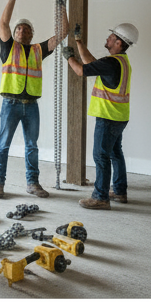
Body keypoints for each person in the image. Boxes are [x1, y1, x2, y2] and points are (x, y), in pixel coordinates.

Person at [0, 0, 67, 199]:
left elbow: (62, 33)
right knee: (3, 145)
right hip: (11, 104)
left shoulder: (38, 50)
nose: (21, 32)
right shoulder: (8, 49)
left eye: (26, 30)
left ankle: (32, 183)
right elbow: (3, 23)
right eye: (19, 30)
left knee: (32, 147)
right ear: (14, 34)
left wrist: (61, 1)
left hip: (31, 106)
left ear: (32, 34)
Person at [61, 23, 137, 209]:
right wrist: (78, 42)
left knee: (101, 156)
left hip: (108, 117)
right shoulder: (120, 61)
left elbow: (81, 70)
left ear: (118, 43)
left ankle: (101, 197)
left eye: (111, 37)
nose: (108, 38)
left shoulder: (112, 63)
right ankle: (119, 191)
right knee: (115, 153)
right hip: (119, 116)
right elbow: (92, 63)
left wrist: (69, 57)